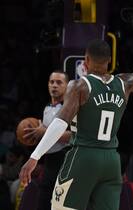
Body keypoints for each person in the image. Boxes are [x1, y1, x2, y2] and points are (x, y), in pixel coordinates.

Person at [19, 8, 133, 210]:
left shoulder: (80, 86)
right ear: (109, 61)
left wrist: (34, 157)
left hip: (83, 156)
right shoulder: (124, 83)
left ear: (85, 61)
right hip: (111, 160)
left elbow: (60, 122)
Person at [21, 70, 71, 210]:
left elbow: (74, 135)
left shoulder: (70, 108)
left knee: (60, 204)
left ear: (67, 86)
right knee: (43, 202)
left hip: (64, 159)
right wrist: (38, 132)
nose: (54, 85)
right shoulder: (47, 108)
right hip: (49, 160)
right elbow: (47, 135)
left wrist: (45, 131)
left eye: (59, 82)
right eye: (52, 82)